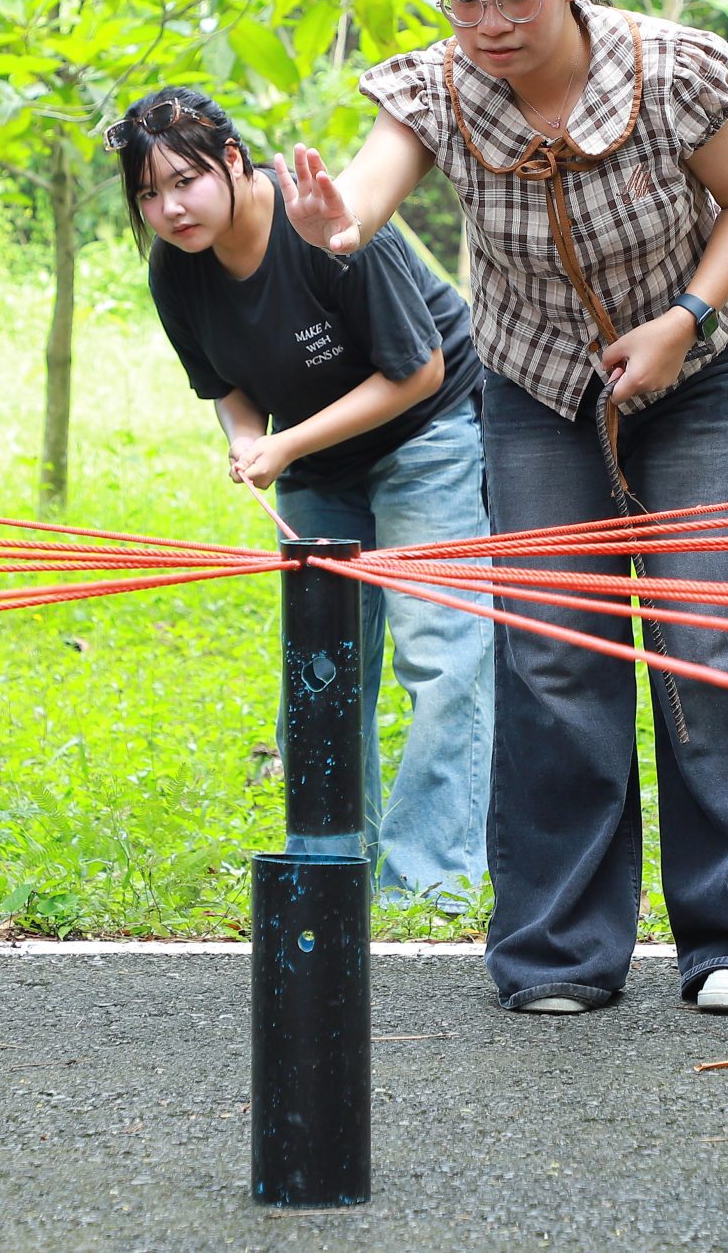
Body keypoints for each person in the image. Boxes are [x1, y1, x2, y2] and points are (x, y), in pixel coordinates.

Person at [277, 0, 728, 1014]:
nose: (489, 22)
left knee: (704, 636)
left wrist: (682, 321)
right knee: (551, 651)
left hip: (694, 377)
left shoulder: (669, 71)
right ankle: (558, 951)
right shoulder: (437, 87)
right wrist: (336, 222)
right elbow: (369, 190)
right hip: (538, 393)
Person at [119, 87, 495, 907]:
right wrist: (246, 438)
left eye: (184, 181)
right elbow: (224, 384)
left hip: (426, 433)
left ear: (232, 160)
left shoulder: (322, 222)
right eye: (148, 193)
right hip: (320, 462)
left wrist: (284, 443)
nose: (169, 208)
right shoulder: (175, 269)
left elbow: (419, 370)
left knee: (440, 652)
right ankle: (327, 862)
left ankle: (431, 882)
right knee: (322, 664)